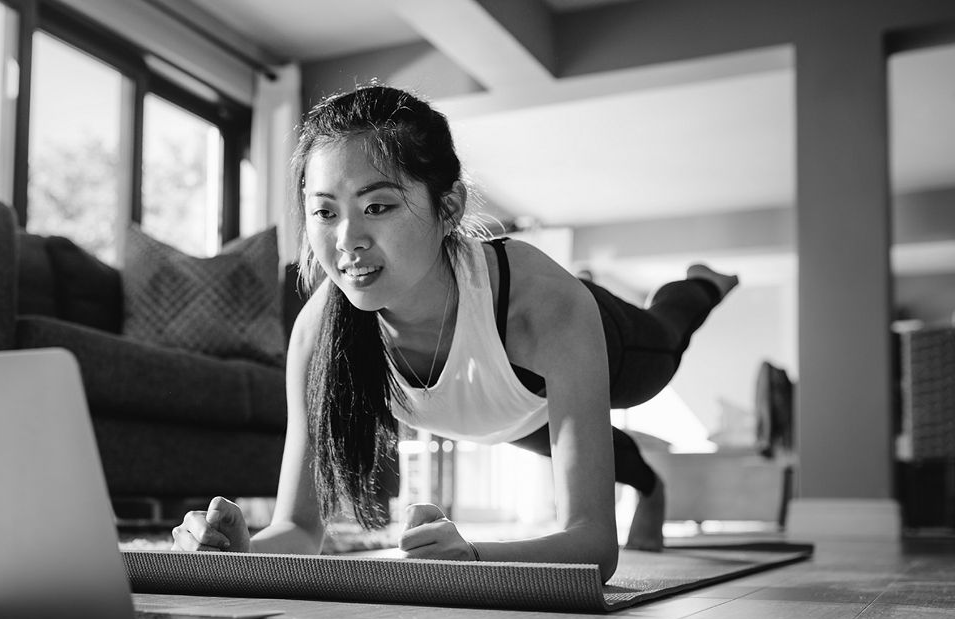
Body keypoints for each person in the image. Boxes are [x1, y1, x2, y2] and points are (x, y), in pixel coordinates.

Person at [171, 85, 737, 582]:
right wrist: (239, 551)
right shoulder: (318, 332)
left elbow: (592, 546)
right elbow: (297, 530)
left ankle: (700, 285)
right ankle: (649, 484)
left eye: (378, 205)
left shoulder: (543, 306)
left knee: (666, 338)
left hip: (609, 346)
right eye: (325, 212)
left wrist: (472, 558)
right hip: (504, 409)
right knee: (603, 453)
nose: (348, 240)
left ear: (449, 207)